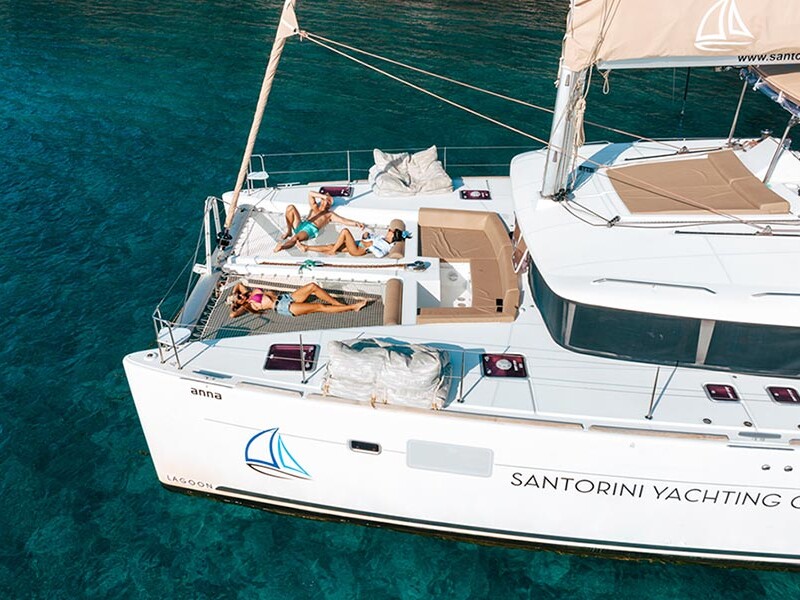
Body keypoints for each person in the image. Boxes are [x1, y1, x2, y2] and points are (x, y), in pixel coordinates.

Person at [274, 191, 363, 252]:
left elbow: (343, 220)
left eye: (329, 203)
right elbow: (310, 194)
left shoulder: (329, 215)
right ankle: (289, 231)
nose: (327, 203)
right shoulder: (314, 207)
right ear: (321, 199)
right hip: (302, 225)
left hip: (310, 230)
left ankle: (283, 247)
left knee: (295, 238)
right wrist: (324, 196)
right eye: (326, 201)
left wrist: (356, 223)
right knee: (290, 208)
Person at [228, 281, 367, 319]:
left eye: (239, 295)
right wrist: (234, 305)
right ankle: (352, 307)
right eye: (239, 298)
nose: (240, 296)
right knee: (319, 307)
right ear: (240, 303)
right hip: (283, 307)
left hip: (286, 297)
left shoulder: (248, 293)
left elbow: (238, 284)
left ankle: (337, 305)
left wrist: (234, 294)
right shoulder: (248, 305)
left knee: (313, 286)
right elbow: (232, 315)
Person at [299, 227, 406, 257]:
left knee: (345, 232)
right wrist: (367, 236)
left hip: (358, 250)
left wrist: (371, 246)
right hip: (359, 243)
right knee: (332, 246)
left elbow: (379, 255)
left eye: (391, 231)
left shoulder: (388, 246)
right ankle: (306, 248)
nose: (389, 230)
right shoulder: (382, 237)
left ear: (392, 236)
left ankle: (333, 251)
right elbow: (372, 237)